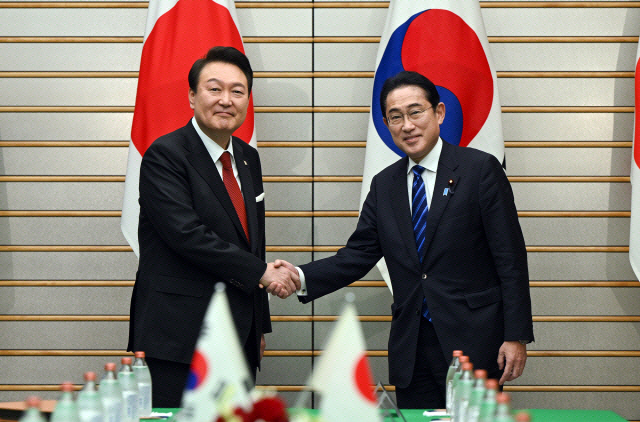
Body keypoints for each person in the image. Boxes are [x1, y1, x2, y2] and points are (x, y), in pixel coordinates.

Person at [274, 71, 534, 409]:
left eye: (416, 112)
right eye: (395, 117)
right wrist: (298, 276)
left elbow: (510, 258)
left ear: (438, 113)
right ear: (386, 124)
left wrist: (515, 335)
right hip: (413, 347)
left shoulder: (479, 170)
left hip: (474, 341)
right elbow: (357, 255)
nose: (407, 125)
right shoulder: (385, 185)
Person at [127, 46, 300, 407]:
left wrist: (258, 326)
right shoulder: (166, 154)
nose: (226, 100)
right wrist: (264, 274)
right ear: (192, 96)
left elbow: (254, 244)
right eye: (214, 89)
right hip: (178, 338)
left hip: (238, 335)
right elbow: (186, 235)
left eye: (237, 91)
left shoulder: (248, 158)